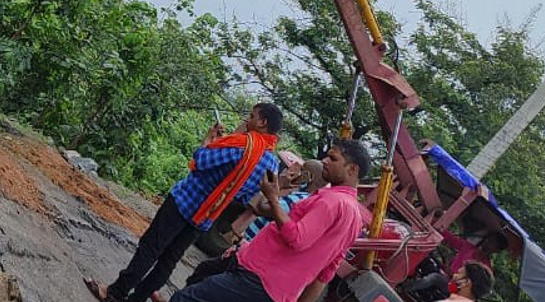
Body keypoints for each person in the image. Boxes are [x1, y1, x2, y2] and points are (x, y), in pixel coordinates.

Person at [84, 104, 283, 302]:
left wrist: (209, 140)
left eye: (252, 116)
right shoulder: (271, 165)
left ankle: (115, 292)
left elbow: (201, 160)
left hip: (185, 200)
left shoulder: (241, 145)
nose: (247, 119)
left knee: (151, 247)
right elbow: (244, 197)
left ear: (262, 122)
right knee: (169, 260)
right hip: (206, 216)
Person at [170, 139, 372, 302]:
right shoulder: (354, 219)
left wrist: (274, 198)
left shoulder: (331, 201)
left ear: (352, 170)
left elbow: (297, 237)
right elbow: (326, 273)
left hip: (259, 277)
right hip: (269, 284)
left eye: (333, 158)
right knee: (203, 274)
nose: (325, 161)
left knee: (185, 298)